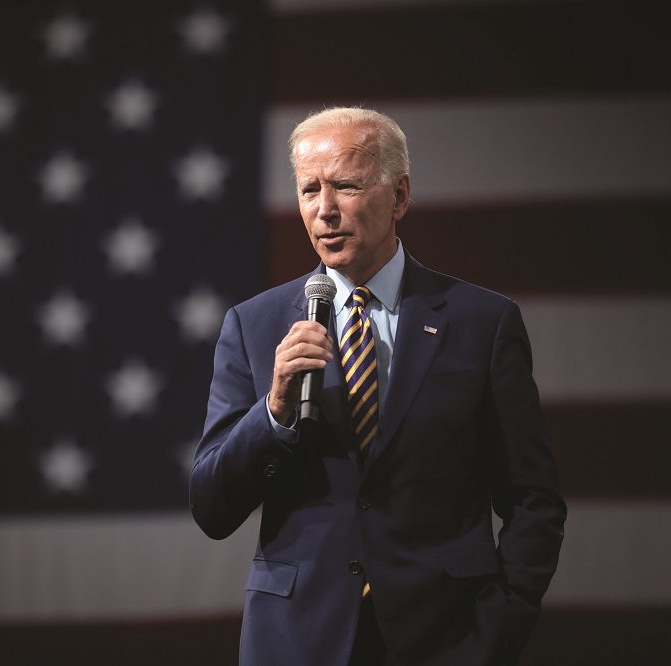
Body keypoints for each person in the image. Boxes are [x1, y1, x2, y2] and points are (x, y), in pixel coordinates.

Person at [189, 107, 566, 666]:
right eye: (309, 189)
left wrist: (497, 630)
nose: (324, 211)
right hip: (296, 642)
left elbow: (534, 501)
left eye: (345, 185)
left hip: (447, 639)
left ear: (400, 196)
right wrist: (273, 412)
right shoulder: (254, 324)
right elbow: (212, 507)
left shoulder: (482, 323)